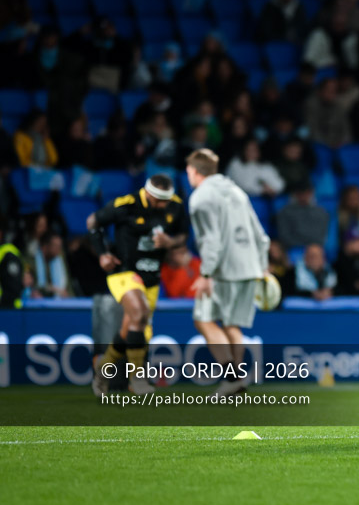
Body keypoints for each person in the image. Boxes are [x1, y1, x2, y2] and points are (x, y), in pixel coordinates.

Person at [88, 174, 188, 397]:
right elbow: (93, 222)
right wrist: (102, 254)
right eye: (160, 201)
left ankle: (102, 374)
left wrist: (171, 242)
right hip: (124, 271)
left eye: (168, 200)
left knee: (134, 326)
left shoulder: (176, 205)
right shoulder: (127, 204)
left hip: (151, 277)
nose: (165, 205)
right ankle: (138, 378)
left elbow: (183, 235)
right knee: (139, 312)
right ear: (149, 195)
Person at [186, 149, 271, 397]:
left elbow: (212, 242)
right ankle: (236, 382)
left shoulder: (201, 198)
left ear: (194, 171)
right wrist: (263, 266)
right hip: (250, 267)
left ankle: (231, 376)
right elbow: (261, 236)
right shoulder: (237, 191)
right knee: (232, 324)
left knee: (203, 319)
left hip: (223, 270)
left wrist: (205, 274)